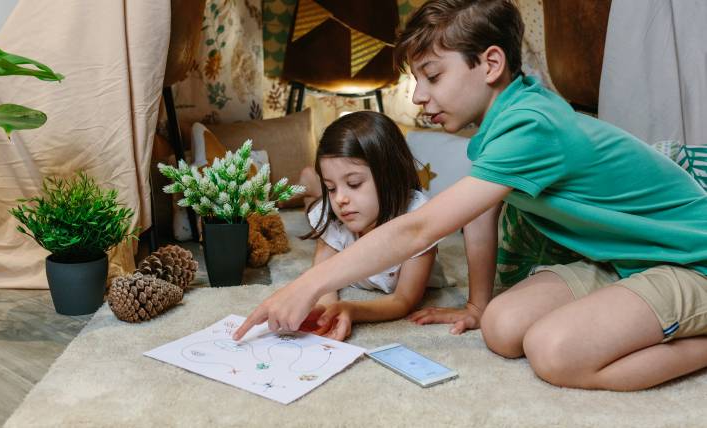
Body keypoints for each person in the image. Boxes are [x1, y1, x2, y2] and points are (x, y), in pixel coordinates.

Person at [235, 0, 707, 391]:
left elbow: (419, 227)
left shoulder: (534, 126)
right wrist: (478, 306)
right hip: (618, 259)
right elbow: (481, 212)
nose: (418, 95)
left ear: (491, 63)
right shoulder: (500, 125)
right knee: (501, 329)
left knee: (555, 353)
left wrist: (306, 285)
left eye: (432, 76)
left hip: (689, 260)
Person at [295, 110, 444, 341]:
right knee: (315, 208)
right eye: (332, 187)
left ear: (390, 176)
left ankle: (313, 185)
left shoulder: (418, 219)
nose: (341, 199)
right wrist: (325, 314)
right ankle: (314, 186)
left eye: (354, 183)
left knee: (318, 202)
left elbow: (403, 300)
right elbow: (322, 282)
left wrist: (352, 310)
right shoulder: (336, 213)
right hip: (325, 207)